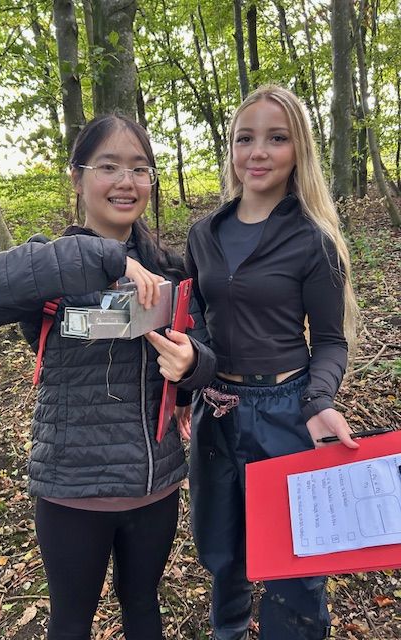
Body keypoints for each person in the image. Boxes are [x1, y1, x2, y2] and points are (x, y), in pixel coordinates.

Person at [0, 114, 215, 640]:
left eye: (139, 169)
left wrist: (192, 366)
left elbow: (205, 357)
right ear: (77, 177)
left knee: (144, 610)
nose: (126, 182)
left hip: (153, 487)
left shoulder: (172, 270)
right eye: (108, 167)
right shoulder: (48, 266)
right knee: (71, 622)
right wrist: (103, 255)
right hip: (72, 489)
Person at [147, 85, 359, 640]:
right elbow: (196, 320)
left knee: (295, 562)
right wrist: (188, 388)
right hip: (217, 410)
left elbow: (330, 340)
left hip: (286, 413)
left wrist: (319, 402)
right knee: (223, 551)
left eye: (276, 138)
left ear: (298, 150)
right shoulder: (205, 234)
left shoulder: (313, 239)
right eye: (245, 138)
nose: (258, 152)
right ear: (232, 149)